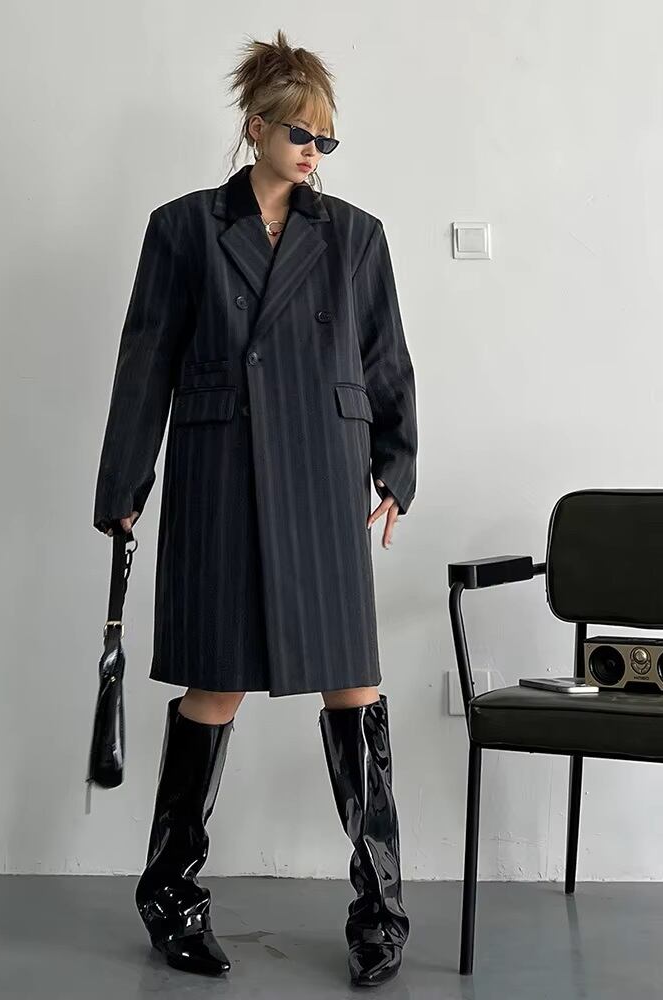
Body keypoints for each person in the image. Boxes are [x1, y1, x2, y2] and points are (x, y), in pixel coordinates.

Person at [92, 28, 418, 989]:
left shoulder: (355, 234)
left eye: (326, 139)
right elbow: (145, 360)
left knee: (352, 685)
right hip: (220, 474)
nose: (314, 152)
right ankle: (171, 899)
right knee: (215, 687)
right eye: (299, 134)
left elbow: (386, 357)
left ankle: (380, 909)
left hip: (322, 476)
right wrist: (124, 488)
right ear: (255, 128)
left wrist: (396, 468)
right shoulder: (183, 228)